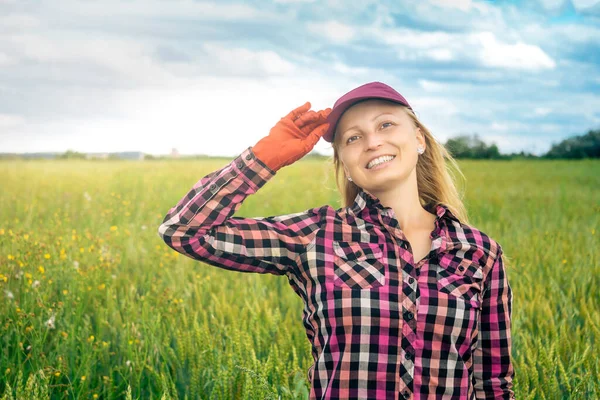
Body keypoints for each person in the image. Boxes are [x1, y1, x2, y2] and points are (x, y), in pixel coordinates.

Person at [158, 81, 515, 399]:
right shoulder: (317, 235)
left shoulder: (479, 252)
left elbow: (493, 384)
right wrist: (264, 158)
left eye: (386, 125)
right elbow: (184, 230)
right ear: (344, 161)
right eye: (353, 138)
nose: (373, 142)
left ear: (419, 139)